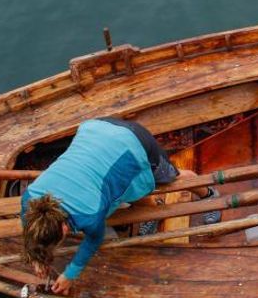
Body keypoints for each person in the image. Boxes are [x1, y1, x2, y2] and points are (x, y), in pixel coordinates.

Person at [20, 118, 221, 295]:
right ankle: (151, 211)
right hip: (97, 129)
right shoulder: (30, 198)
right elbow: (28, 229)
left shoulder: (89, 214)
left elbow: (93, 241)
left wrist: (70, 275)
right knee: (125, 185)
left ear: (65, 228)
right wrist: (36, 257)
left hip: (133, 142)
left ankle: (210, 195)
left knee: (171, 178)